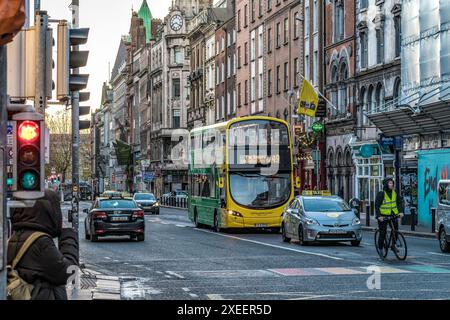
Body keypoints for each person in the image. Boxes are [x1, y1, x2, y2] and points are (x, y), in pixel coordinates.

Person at [7, 189, 79, 300]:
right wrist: (68, 236)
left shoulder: (16, 237)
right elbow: (69, 272)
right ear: (48, 212)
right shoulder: (40, 242)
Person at [375, 177, 404, 255]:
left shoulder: (395, 193)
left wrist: (400, 212)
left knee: (396, 231)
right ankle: (380, 248)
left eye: (392, 183)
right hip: (383, 216)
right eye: (390, 183)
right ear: (386, 184)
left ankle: (393, 245)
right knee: (383, 233)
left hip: (393, 215)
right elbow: (377, 205)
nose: (392, 185)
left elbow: (399, 203)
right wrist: (378, 216)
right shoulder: (381, 193)